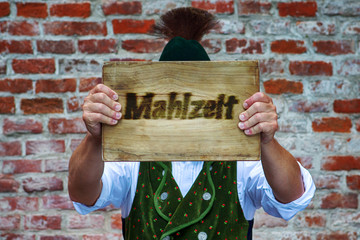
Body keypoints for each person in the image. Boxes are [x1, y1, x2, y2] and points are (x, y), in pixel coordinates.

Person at [68, 7, 315, 240]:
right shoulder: (132, 157)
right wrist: (96, 138)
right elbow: (82, 194)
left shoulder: (241, 157)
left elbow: (292, 197)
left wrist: (267, 141)